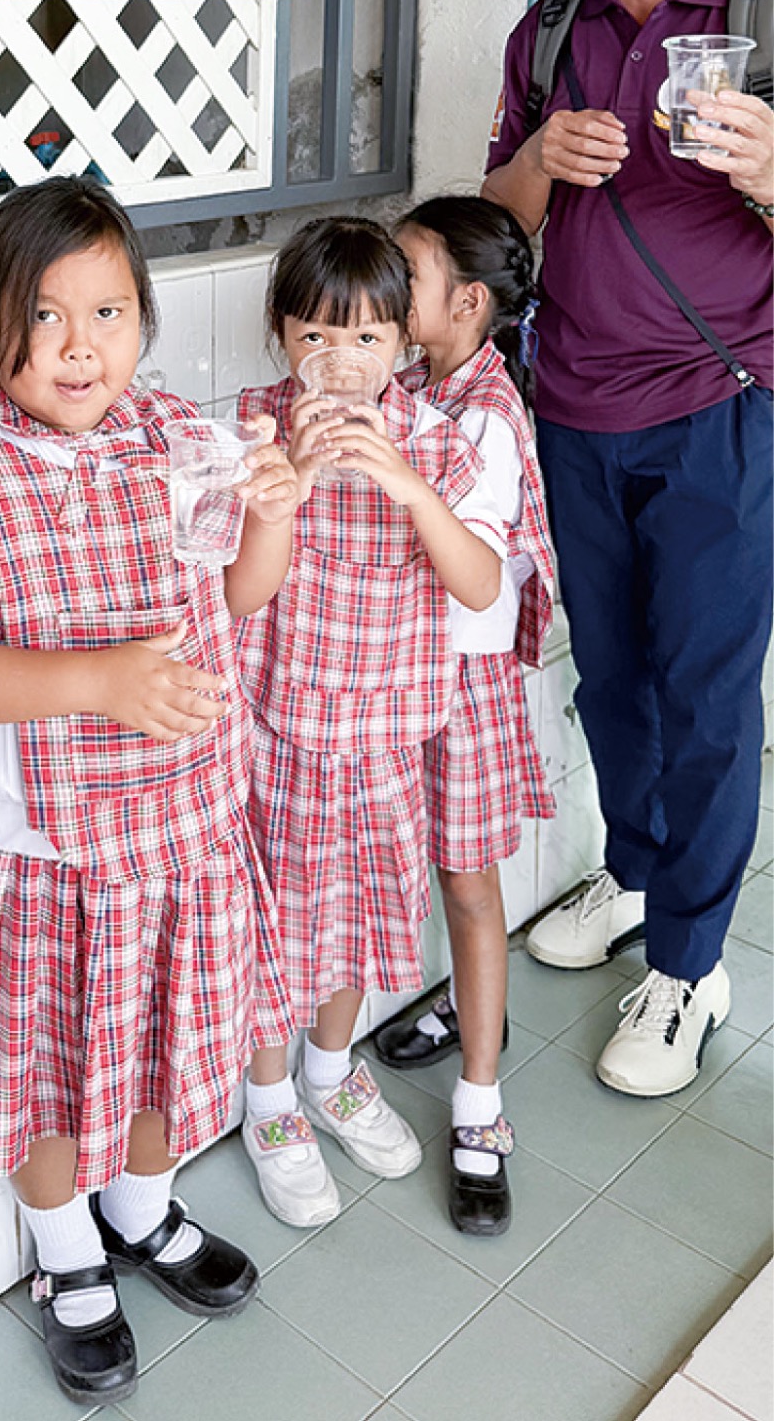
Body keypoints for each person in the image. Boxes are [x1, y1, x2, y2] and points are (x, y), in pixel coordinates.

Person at [0, 177, 300, 1409]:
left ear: (143, 322)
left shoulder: (172, 434)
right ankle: (67, 1259)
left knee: (166, 1051)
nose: (80, 346)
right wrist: (99, 679)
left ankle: (147, 1212)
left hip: (183, 831)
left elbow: (239, 598)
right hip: (35, 855)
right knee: (53, 1070)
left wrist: (277, 512)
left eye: (109, 313)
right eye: (45, 316)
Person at [483, 0, 773, 1097]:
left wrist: (771, 167)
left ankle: (691, 963)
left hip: (727, 409)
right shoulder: (554, 26)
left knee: (710, 694)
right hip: (574, 408)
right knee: (612, 676)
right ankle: (639, 872)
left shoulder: (768, 14)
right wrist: (545, 153)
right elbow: (492, 222)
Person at [234, 216, 507, 1229]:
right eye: (316, 336)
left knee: (353, 923)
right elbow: (233, 598)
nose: (339, 364)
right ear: (281, 333)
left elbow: (478, 584)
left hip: (387, 742)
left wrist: (404, 482)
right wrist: (295, 479)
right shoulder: (256, 430)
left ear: (404, 342)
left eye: (366, 340)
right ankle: (270, 1107)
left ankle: (331, 1072)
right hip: (273, 742)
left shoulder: (435, 439)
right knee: (275, 931)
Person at [371, 196, 555, 1236]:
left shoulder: (482, 417)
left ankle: (480, 1106)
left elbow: (480, 585)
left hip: (461, 686)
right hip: (398, 671)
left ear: (467, 303)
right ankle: (456, 1008)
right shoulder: (413, 383)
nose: (389, 296)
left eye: (407, 277)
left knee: (470, 886)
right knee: (425, 871)